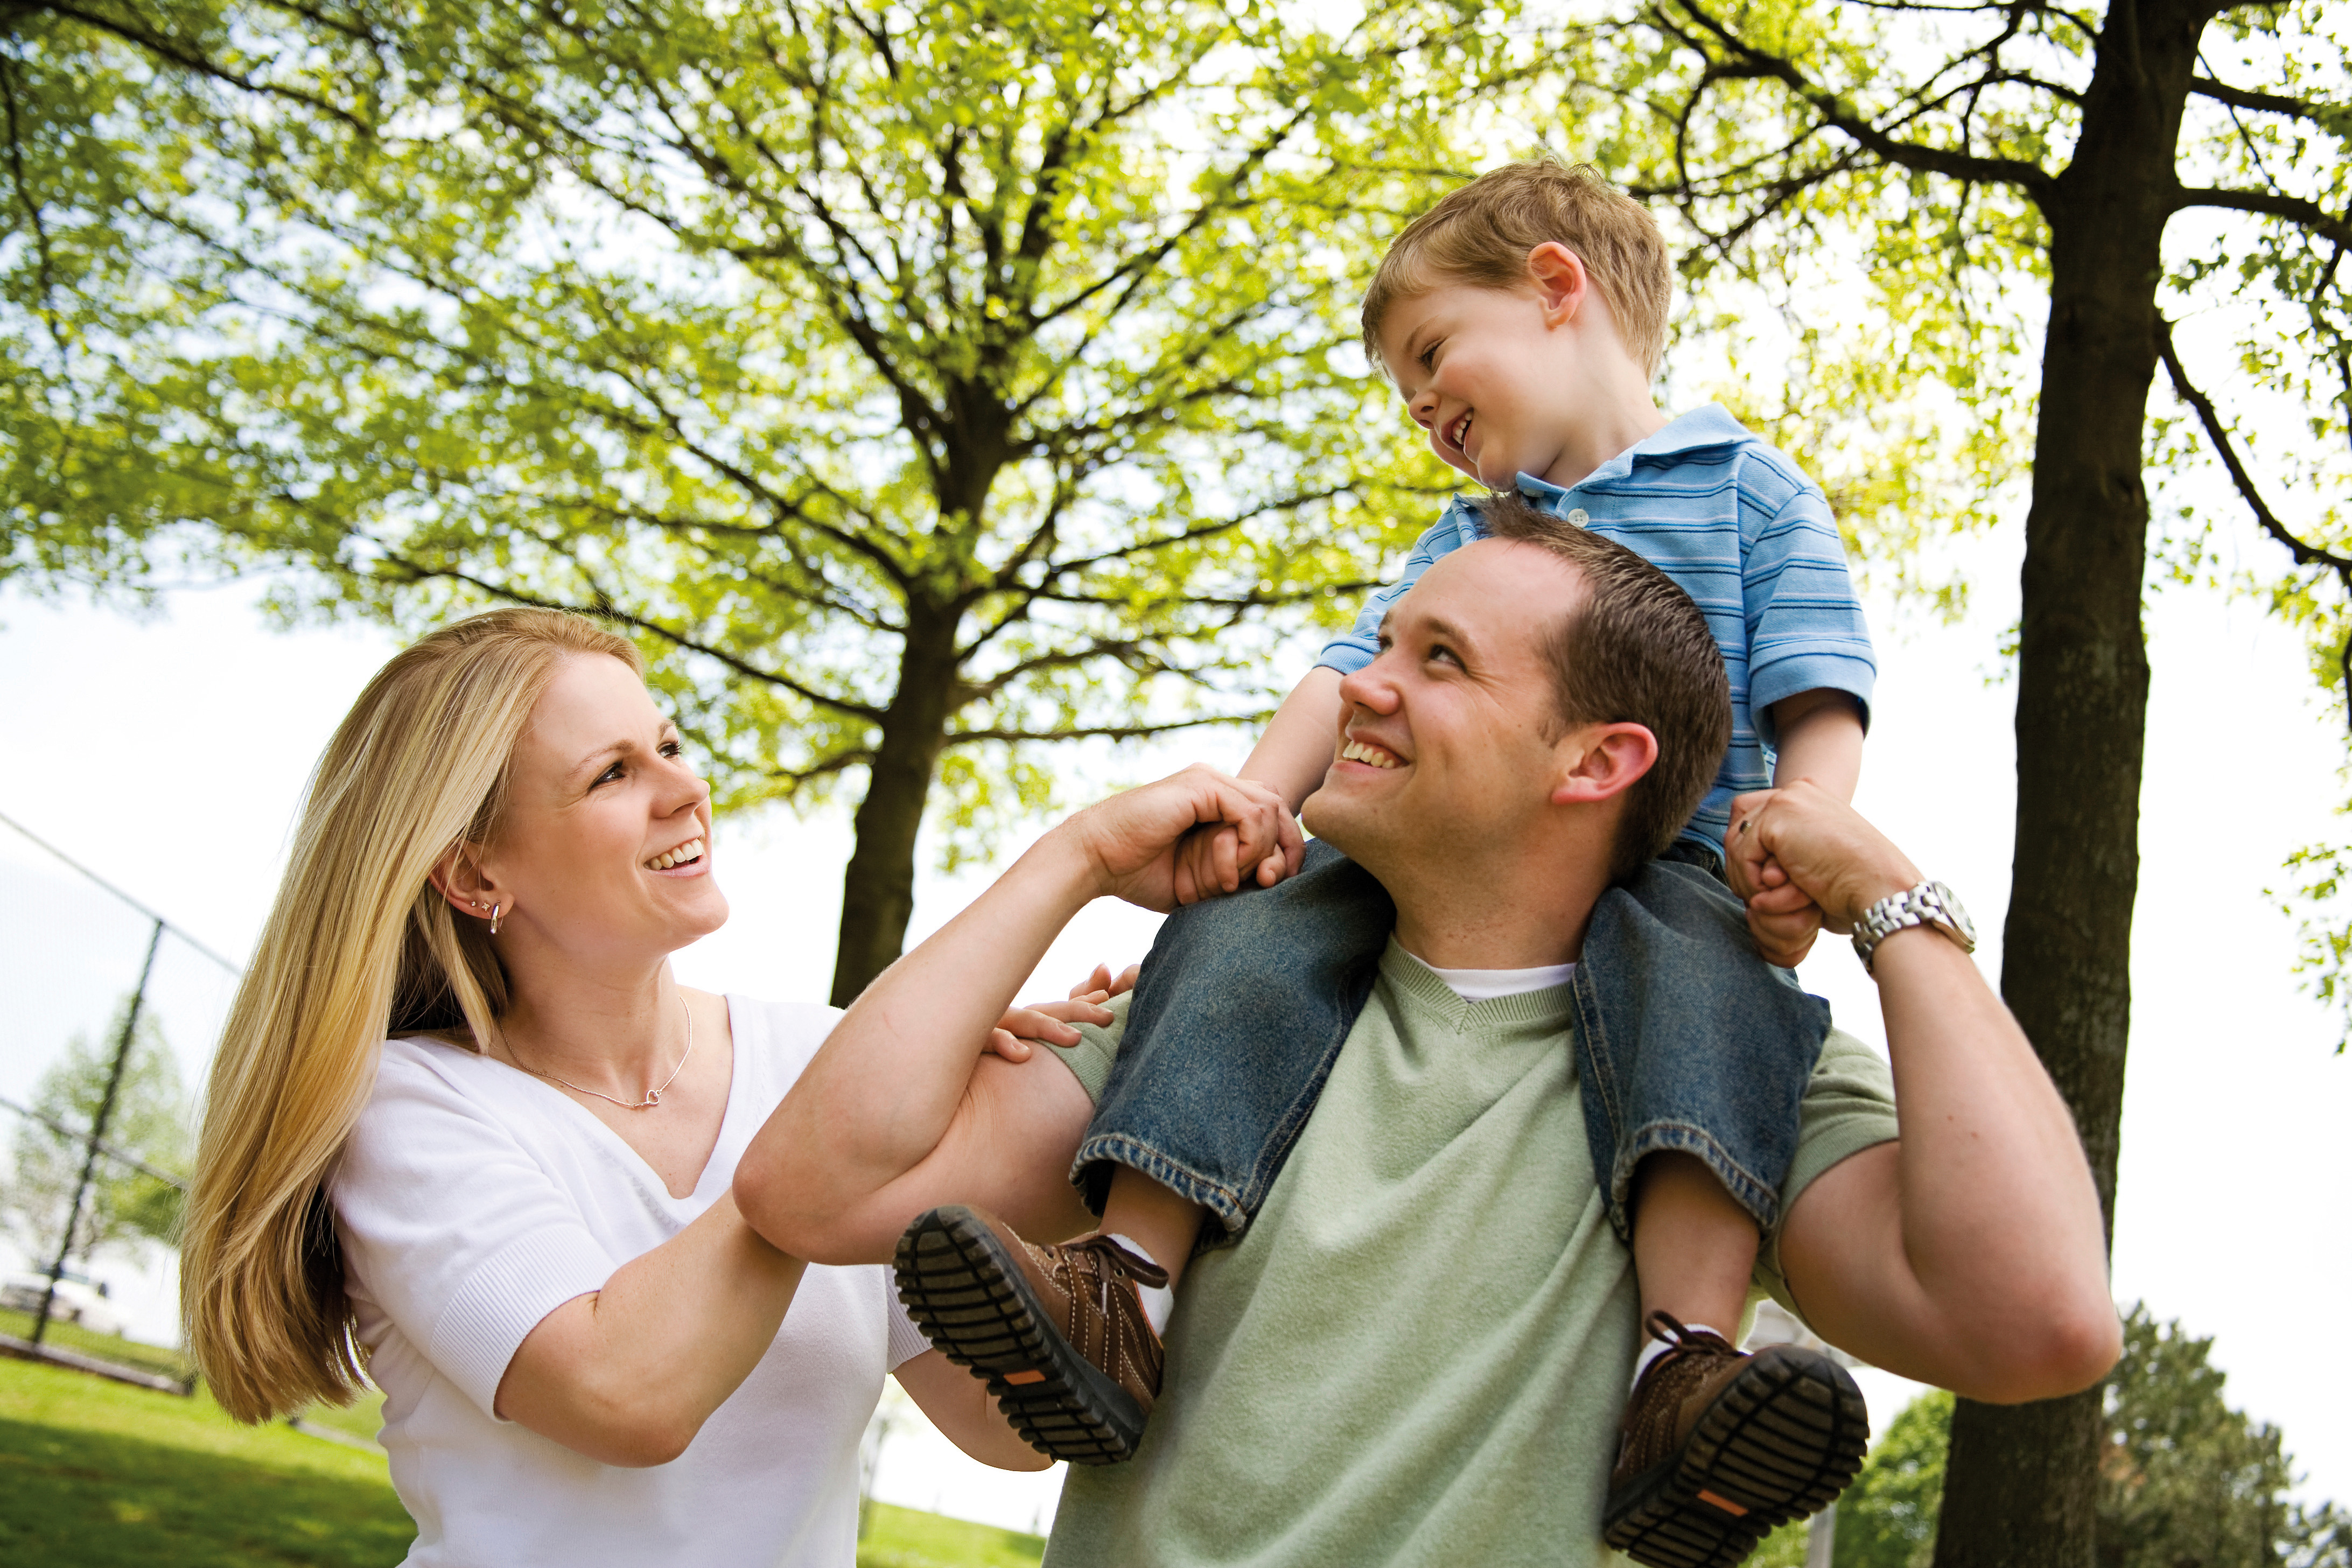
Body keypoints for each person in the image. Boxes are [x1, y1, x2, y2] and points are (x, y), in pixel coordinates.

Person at [738, 524, 2120, 1567]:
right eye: (1383, 644)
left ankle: (1676, 1367)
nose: (1359, 689)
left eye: (1437, 660)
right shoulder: (1215, 1010)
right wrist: (1076, 857)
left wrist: (1891, 900)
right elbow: (813, 1190)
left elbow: (2042, 1321)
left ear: (1594, 762)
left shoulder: (1734, 1068)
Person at [877, 157, 1882, 1547]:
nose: (1423, 411)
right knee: (1239, 939)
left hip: (1681, 870)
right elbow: (1341, 679)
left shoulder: (1749, 491)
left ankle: (1682, 1370)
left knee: (1712, 1015)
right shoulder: (1466, 534)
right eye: (1407, 393)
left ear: (1553, 289)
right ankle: (1122, 1287)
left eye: (1431, 356)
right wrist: (1254, 811)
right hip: (1433, 870)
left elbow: (1818, 690)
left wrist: (1801, 840)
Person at [178, 607, 1114, 1567]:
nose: (688, 788)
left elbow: (1009, 1429)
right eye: (613, 773)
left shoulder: (817, 1059)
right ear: (473, 871)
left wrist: (1084, 1142)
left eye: (669, 745)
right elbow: (625, 1395)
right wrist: (1072, 861)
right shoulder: (406, 1108)